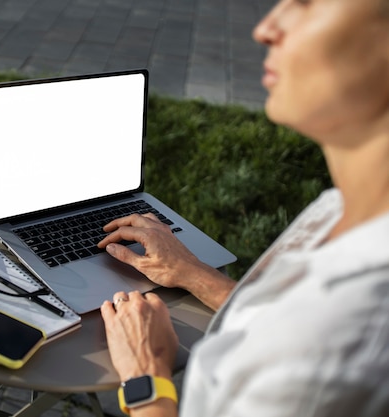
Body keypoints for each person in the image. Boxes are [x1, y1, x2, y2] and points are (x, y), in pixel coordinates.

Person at [98, 0, 389, 416]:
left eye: (306, 4)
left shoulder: (344, 340)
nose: (265, 29)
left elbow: (306, 340)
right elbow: (283, 325)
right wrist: (193, 274)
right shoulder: (345, 207)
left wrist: (147, 378)